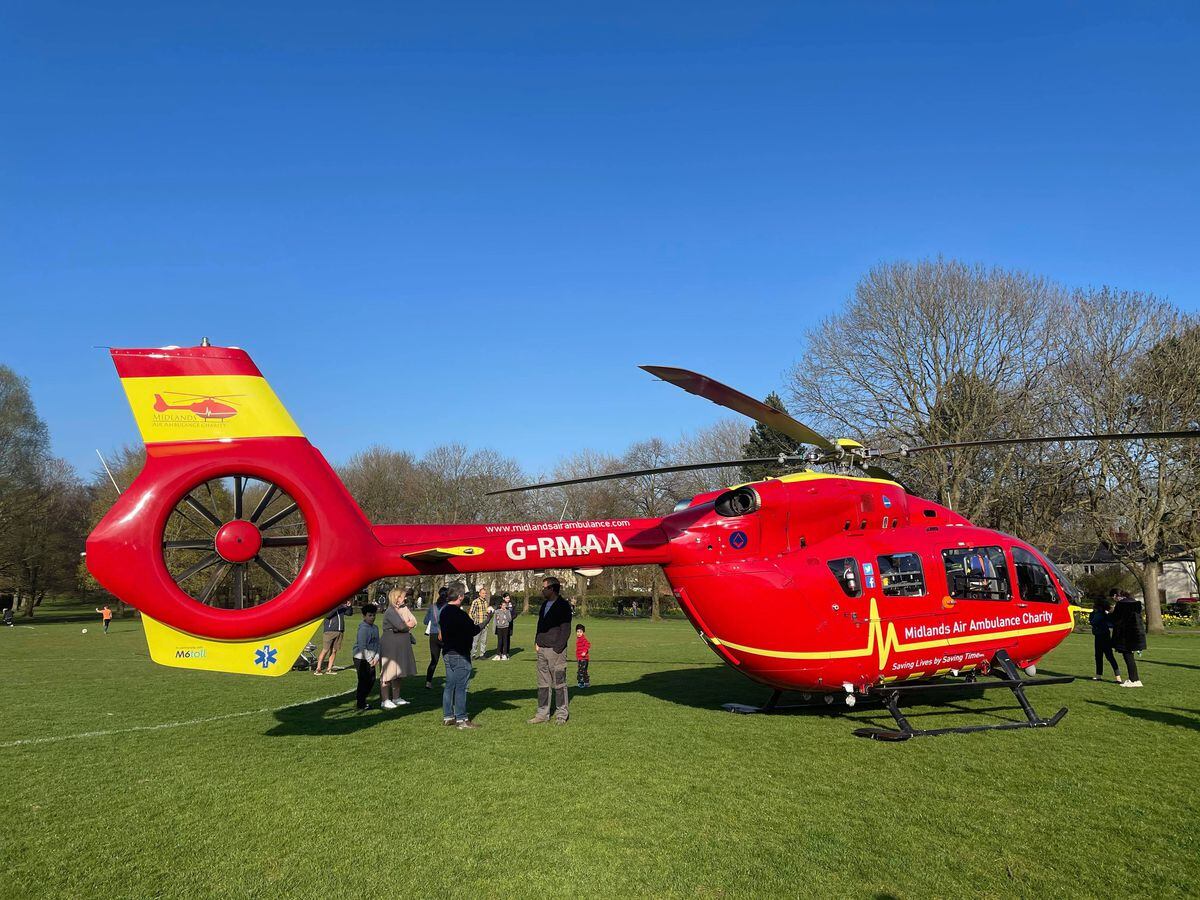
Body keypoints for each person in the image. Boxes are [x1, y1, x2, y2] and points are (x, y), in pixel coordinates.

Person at [438, 581, 492, 729]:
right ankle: (462, 719)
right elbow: (474, 629)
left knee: (450, 685)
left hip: (448, 653)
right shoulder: (459, 614)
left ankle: (448, 716)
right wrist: (487, 619)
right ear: (460, 596)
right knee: (461, 687)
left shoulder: (443, 611)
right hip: (460, 654)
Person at [529, 576, 572, 725]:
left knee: (559, 683)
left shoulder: (563, 605)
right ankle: (542, 714)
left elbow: (566, 629)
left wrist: (558, 648)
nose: (542, 590)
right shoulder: (544, 605)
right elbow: (540, 625)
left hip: (556, 651)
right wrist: (537, 642)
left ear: (552, 589)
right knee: (542, 684)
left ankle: (562, 714)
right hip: (542, 649)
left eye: (544, 587)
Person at [380, 588, 418, 709]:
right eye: (402, 596)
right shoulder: (390, 611)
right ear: (396, 598)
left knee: (398, 671)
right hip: (391, 643)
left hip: (401, 643)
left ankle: (396, 697)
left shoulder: (404, 609)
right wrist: (406, 625)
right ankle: (385, 699)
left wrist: (405, 625)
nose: (405, 598)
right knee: (388, 672)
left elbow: (414, 621)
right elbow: (401, 626)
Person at [1111, 591, 1147, 688]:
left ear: (1119, 596)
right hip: (1135, 634)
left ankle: (1133, 679)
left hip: (1125, 635)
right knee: (1130, 657)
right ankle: (1135, 679)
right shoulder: (1136, 604)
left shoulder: (1121, 605)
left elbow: (1115, 619)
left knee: (1128, 658)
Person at [352, 604, 381, 711]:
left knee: (372, 680)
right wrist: (370, 660)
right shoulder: (363, 629)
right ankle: (361, 703)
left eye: (374, 615)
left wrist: (377, 657)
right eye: (370, 615)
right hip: (361, 658)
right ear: (364, 616)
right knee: (363, 680)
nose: (372, 617)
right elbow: (362, 646)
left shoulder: (375, 628)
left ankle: (362, 700)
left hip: (372, 659)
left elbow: (378, 643)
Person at [315, 599, 354, 675]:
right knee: (325, 650)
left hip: (339, 631)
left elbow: (349, 613)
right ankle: (318, 669)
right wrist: (338, 606)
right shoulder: (329, 607)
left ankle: (329, 669)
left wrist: (349, 606)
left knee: (334, 650)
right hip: (329, 631)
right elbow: (328, 615)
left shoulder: (340, 608)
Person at [1089, 597, 1121, 682]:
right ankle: (1117, 676)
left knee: (1100, 656)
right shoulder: (1103, 614)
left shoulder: (1099, 614)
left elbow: (1093, 622)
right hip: (1104, 635)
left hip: (1100, 636)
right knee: (1108, 656)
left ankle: (1099, 674)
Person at [424, 586, 450, 688]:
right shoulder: (448, 607)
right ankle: (451, 681)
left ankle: (428, 682)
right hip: (445, 635)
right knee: (448, 659)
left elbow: (425, 621)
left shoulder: (432, 607)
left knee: (434, 660)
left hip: (433, 635)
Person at [469, 587, 494, 659]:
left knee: (484, 641)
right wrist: (475, 622)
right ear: (479, 593)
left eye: (485, 593)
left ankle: (482, 655)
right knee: (475, 641)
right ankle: (473, 655)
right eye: (483, 593)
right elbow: (471, 613)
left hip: (485, 625)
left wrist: (489, 613)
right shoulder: (475, 602)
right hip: (477, 625)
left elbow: (486, 612)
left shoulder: (486, 602)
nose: (484, 594)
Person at [494, 594, 515, 660]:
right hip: (499, 627)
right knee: (500, 641)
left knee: (506, 640)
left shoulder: (509, 608)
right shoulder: (498, 610)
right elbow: (495, 620)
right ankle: (498, 654)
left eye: (509, 598)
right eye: (507, 598)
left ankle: (505, 654)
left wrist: (509, 617)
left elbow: (511, 617)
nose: (508, 599)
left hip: (506, 626)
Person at [575, 623, 591, 688]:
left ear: (583, 632)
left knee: (581, 671)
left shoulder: (583, 639)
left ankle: (581, 683)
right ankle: (586, 682)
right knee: (583, 671)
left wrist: (584, 652)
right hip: (580, 658)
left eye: (580, 632)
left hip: (584, 659)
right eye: (577, 631)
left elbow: (588, 645)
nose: (579, 633)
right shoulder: (578, 639)